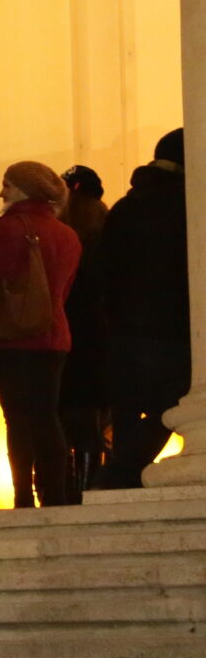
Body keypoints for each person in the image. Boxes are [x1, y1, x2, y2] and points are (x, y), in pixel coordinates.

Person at [0, 160, 83, 509]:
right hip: (54, 338)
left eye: (7, 184)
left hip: (12, 339)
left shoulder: (11, 228)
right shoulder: (67, 234)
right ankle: (55, 494)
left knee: (17, 418)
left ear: (23, 189)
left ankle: (23, 494)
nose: (1, 191)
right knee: (46, 415)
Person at [91, 129, 188, 490]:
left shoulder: (126, 206)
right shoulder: (187, 204)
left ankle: (120, 482)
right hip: (171, 330)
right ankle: (119, 476)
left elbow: (103, 270)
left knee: (129, 411)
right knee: (173, 405)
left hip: (122, 330)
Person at [57, 164, 112, 491]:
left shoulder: (68, 235)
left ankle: (69, 489)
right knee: (92, 420)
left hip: (71, 337)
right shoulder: (108, 229)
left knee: (69, 419)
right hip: (102, 340)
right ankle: (89, 487)